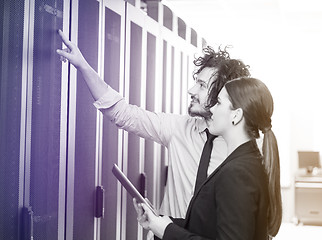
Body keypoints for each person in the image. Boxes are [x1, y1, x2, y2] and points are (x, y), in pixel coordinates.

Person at [55, 30, 250, 217]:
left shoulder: (244, 151)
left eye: (201, 85)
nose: (191, 90)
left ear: (223, 95)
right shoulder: (179, 128)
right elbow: (122, 113)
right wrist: (83, 66)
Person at [134, 77, 282, 239]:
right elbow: (208, 228)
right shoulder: (244, 162)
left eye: (218, 103)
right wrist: (161, 223)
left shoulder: (238, 172)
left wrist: (166, 231)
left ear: (236, 115)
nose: (211, 109)